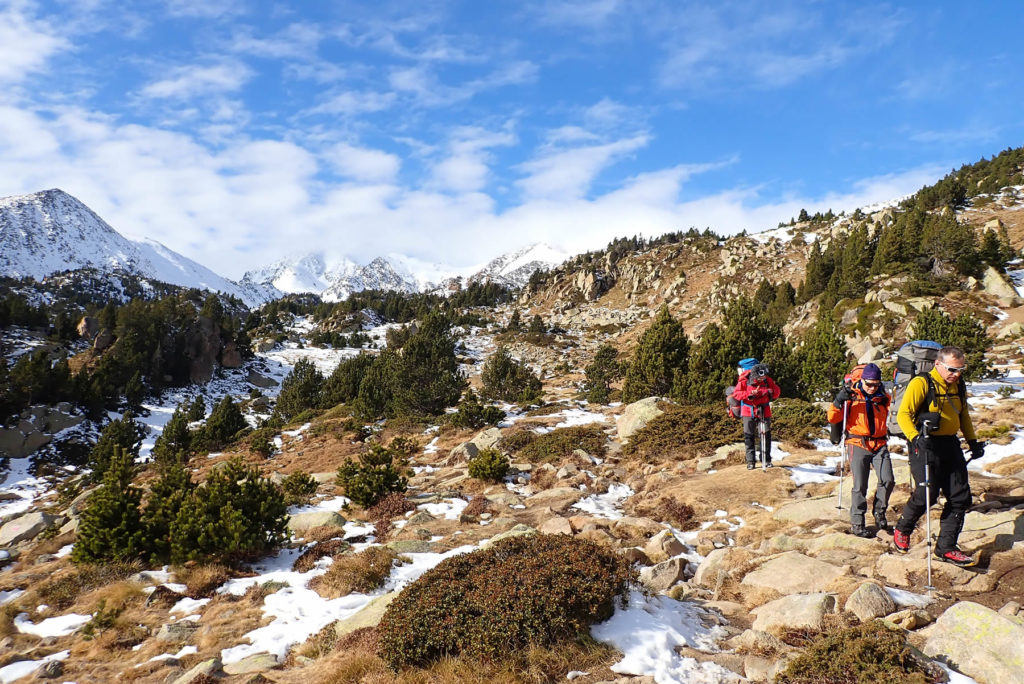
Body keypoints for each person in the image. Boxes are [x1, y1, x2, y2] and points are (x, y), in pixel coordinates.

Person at [893, 346, 984, 566]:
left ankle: (946, 548)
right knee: (928, 492)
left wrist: (972, 442)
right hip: (924, 443)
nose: (957, 374)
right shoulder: (921, 383)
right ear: (938, 364)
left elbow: (963, 416)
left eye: (961, 369)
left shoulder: (958, 385)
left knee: (960, 497)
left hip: (950, 444)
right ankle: (903, 528)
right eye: (952, 369)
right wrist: (915, 438)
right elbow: (904, 414)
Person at [827, 363, 894, 538]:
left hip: (880, 444)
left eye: (876, 384)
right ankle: (857, 523)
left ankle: (879, 511)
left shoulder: (883, 397)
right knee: (860, 486)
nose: (872, 388)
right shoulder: (851, 396)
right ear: (862, 380)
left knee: (888, 480)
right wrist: (838, 401)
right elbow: (832, 417)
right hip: (857, 443)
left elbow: (893, 415)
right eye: (869, 384)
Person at [732, 362, 781, 469]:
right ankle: (750, 461)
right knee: (749, 436)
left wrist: (770, 392)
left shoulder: (768, 381)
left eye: (763, 377)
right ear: (754, 375)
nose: (762, 379)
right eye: (759, 378)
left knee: (765, 435)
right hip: (748, 411)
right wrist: (749, 394)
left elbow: (777, 392)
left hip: (764, 410)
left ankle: (766, 460)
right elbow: (736, 394)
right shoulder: (744, 381)